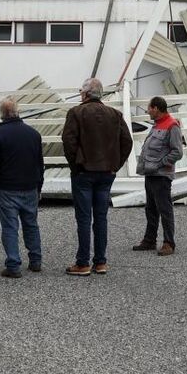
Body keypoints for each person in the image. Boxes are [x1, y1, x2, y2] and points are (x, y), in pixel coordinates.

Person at [61, 78, 133, 276]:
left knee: (84, 218)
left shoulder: (76, 112)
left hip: (84, 172)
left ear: (85, 94)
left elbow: (68, 142)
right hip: (106, 172)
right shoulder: (115, 115)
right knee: (101, 218)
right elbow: (127, 142)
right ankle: (100, 262)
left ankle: (83, 263)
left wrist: (75, 165)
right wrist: (115, 165)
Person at [0, 97, 44, 278]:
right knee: (31, 225)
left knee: (10, 227)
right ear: (18, 112)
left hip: (7, 187)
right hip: (30, 187)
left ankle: (13, 265)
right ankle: (36, 260)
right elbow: (39, 164)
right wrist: (39, 186)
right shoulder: (33, 134)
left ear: (1, 114)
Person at [134, 96, 184, 256]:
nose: (147, 111)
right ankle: (149, 240)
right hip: (151, 174)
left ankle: (169, 243)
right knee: (151, 209)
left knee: (164, 209)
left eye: (149, 108)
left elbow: (177, 152)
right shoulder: (157, 125)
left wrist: (160, 163)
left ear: (156, 108)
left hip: (161, 175)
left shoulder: (172, 126)